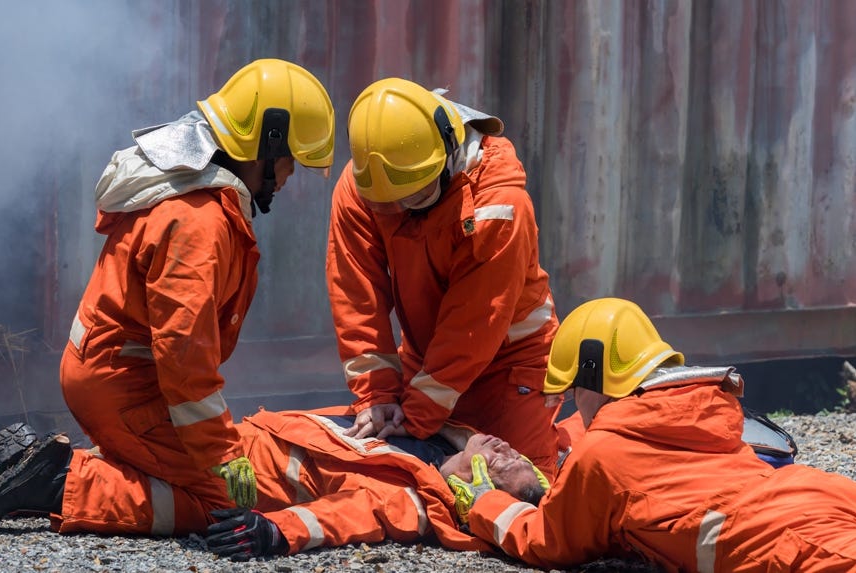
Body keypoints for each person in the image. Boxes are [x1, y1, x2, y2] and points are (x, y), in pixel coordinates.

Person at [47, 58, 334, 535]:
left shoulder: (195, 199)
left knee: (220, 475)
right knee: (236, 501)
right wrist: (221, 456)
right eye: (291, 159)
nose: (290, 174)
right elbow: (184, 356)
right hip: (125, 390)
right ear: (269, 143)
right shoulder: (199, 221)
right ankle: (59, 485)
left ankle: (98, 465)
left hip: (120, 380)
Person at [459, 297, 856, 572]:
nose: (574, 406)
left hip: (791, 544)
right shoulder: (708, 410)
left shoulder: (603, 452)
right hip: (821, 496)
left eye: (573, 393)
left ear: (594, 378)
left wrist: (484, 503)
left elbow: (545, 541)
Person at [325, 77, 561, 480]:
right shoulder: (369, 185)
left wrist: (415, 418)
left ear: (449, 154)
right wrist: (377, 395)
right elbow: (356, 295)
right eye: (389, 203)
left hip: (510, 364)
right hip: (427, 362)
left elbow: (475, 324)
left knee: (526, 489)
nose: (400, 208)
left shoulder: (498, 205)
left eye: (414, 198)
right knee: (421, 477)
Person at [0, 407, 548, 561]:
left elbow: (349, 517)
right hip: (249, 443)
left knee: (160, 501)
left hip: (244, 479)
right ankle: (46, 472)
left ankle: (49, 476)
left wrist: (274, 534)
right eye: (512, 450)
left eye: (505, 465)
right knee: (145, 474)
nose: (504, 448)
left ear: (475, 487)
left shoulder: (414, 499)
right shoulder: (433, 434)